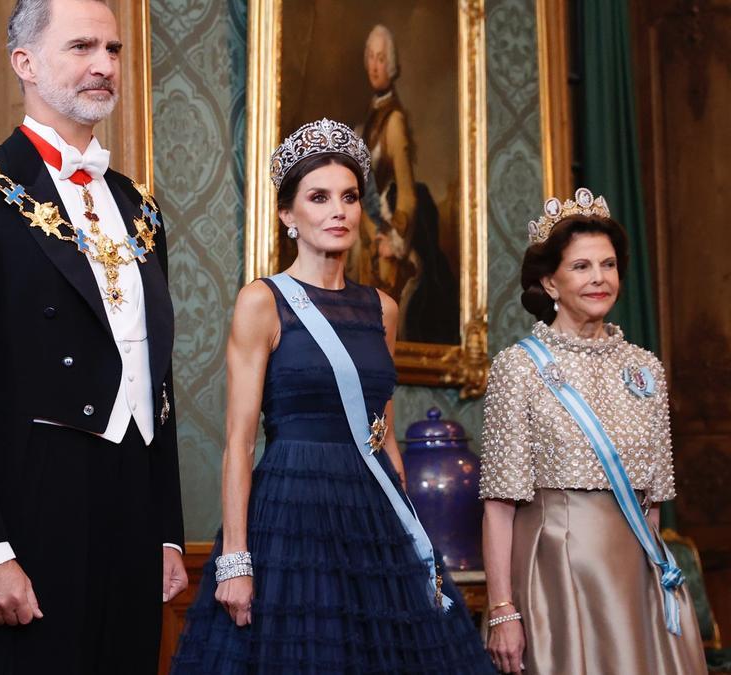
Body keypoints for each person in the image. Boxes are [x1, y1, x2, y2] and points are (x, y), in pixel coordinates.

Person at [0, 0, 186, 672]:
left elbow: (157, 380)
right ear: (23, 63)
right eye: (82, 47)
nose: (103, 66)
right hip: (31, 508)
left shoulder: (139, 209)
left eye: (113, 50)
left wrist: (167, 532)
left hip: (130, 506)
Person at [170, 118, 492, 674]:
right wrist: (235, 561)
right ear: (287, 215)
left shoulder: (382, 310)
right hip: (290, 514)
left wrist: (407, 534)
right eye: (318, 198)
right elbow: (239, 443)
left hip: (372, 514)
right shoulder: (262, 302)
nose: (338, 211)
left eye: (349, 197)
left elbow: (383, 433)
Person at [479, 188, 706, 674]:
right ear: (550, 281)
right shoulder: (518, 368)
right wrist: (503, 610)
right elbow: (499, 507)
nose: (599, 278)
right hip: (557, 575)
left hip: (638, 578)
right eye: (581, 267)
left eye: (608, 265)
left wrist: (654, 586)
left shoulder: (646, 368)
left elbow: (652, 500)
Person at [357, 24, 459, 344]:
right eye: (371, 58)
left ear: (392, 65)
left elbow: (407, 192)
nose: (375, 66)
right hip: (367, 228)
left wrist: (394, 240)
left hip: (387, 233)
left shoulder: (394, 121)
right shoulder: (371, 119)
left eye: (381, 59)